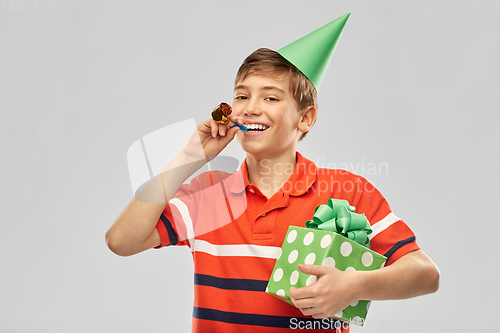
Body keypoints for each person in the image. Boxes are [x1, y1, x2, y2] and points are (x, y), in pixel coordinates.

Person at [106, 14, 439, 332]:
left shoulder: (349, 190)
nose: (251, 107)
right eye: (241, 95)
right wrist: (190, 156)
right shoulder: (208, 192)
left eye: (270, 97)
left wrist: (354, 286)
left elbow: (425, 274)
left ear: (305, 118)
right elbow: (121, 241)